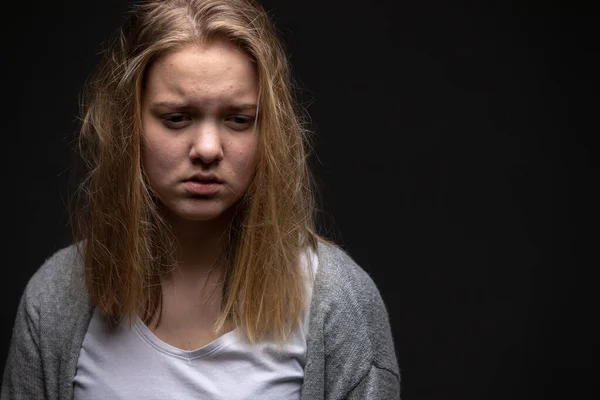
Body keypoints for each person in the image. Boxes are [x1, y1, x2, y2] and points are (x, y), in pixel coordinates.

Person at [1, 0, 400, 398]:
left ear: (268, 131)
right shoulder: (57, 300)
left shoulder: (337, 302)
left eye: (238, 119)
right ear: (128, 125)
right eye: (177, 117)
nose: (208, 149)